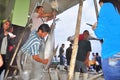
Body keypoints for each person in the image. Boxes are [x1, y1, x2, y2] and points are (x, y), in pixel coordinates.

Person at [93, 0, 120, 80]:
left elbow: (100, 34)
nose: (101, 7)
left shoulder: (106, 7)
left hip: (112, 54)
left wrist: (95, 28)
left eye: (101, 5)